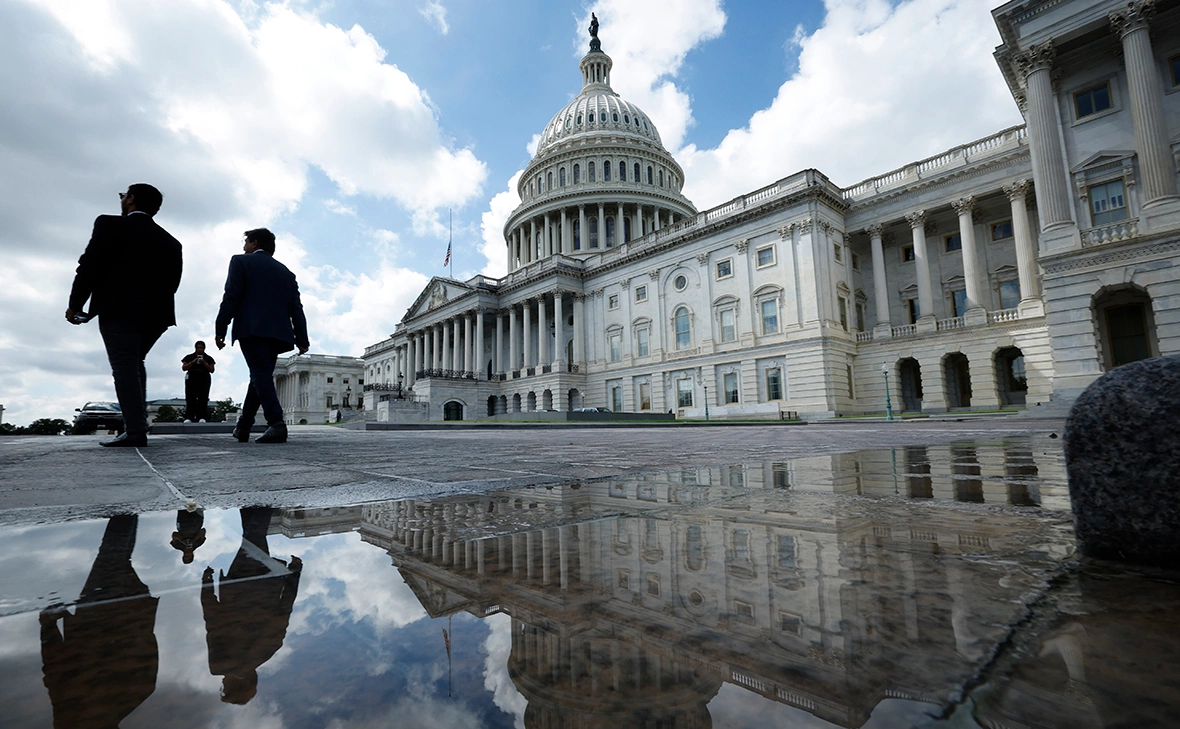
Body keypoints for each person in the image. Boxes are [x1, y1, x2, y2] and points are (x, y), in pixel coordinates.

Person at [67, 183, 183, 447]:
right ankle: (137, 426)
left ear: (130, 199)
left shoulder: (109, 224)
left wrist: (75, 303)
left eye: (123, 195)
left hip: (118, 307)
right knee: (134, 362)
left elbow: (89, 265)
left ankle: (135, 431)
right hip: (157, 313)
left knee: (124, 366)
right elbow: (173, 282)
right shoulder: (171, 241)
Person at [40, 515, 159, 726]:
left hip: (128, 613)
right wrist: (49, 625)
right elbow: (54, 670)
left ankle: (127, 511)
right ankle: (126, 510)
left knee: (115, 558)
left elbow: (149, 646)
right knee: (112, 557)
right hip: (98, 619)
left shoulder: (139, 693)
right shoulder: (70, 709)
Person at [215, 228, 309, 444]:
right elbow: (297, 308)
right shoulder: (286, 272)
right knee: (258, 377)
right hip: (279, 334)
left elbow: (231, 296)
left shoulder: (240, 262)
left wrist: (221, 327)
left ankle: (276, 423)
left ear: (255, 243)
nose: (243, 246)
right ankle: (243, 426)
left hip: (252, 328)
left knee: (259, 375)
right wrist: (302, 338)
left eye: (246, 241)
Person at [201, 508, 301, 704]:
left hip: (266, 585)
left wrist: (294, 573)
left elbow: (285, 608)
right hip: (237, 587)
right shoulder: (219, 664)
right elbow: (213, 620)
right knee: (253, 538)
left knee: (252, 539)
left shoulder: (268, 651)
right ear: (229, 685)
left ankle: (251, 503)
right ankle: (263, 502)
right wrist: (206, 586)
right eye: (224, 687)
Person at [181, 340, 216, 422]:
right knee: (190, 398)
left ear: (204, 348)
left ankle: (202, 417)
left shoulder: (208, 358)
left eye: (201, 348)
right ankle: (189, 417)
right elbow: (184, 367)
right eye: (198, 348)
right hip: (191, 378)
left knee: (203, 398)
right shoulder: (189, 357)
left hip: (204, 379)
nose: (199, 349)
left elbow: (212, 370)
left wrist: (204, 362)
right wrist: (194, 361)